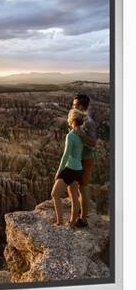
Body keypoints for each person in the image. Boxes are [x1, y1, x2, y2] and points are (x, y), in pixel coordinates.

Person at [51, 109, 86, 228]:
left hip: (69, 169)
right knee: (74, 197)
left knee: (55, 194)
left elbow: (65, 156)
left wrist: (59, 171)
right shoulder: (83, 134)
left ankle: (59, 222)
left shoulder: (70, 136)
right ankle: (71, 223)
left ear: (71, 120)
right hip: (79, 170)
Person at [70, 94, 97, 228]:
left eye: (74, 105)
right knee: (79, 187)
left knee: (83, 186)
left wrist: (81, 134)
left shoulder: (89, 122)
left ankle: (84, 219)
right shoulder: (79, 119)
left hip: (86, 158)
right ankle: (82, 209)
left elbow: (93, 143)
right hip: (79, 158)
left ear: (80, 107)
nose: (72, 107)